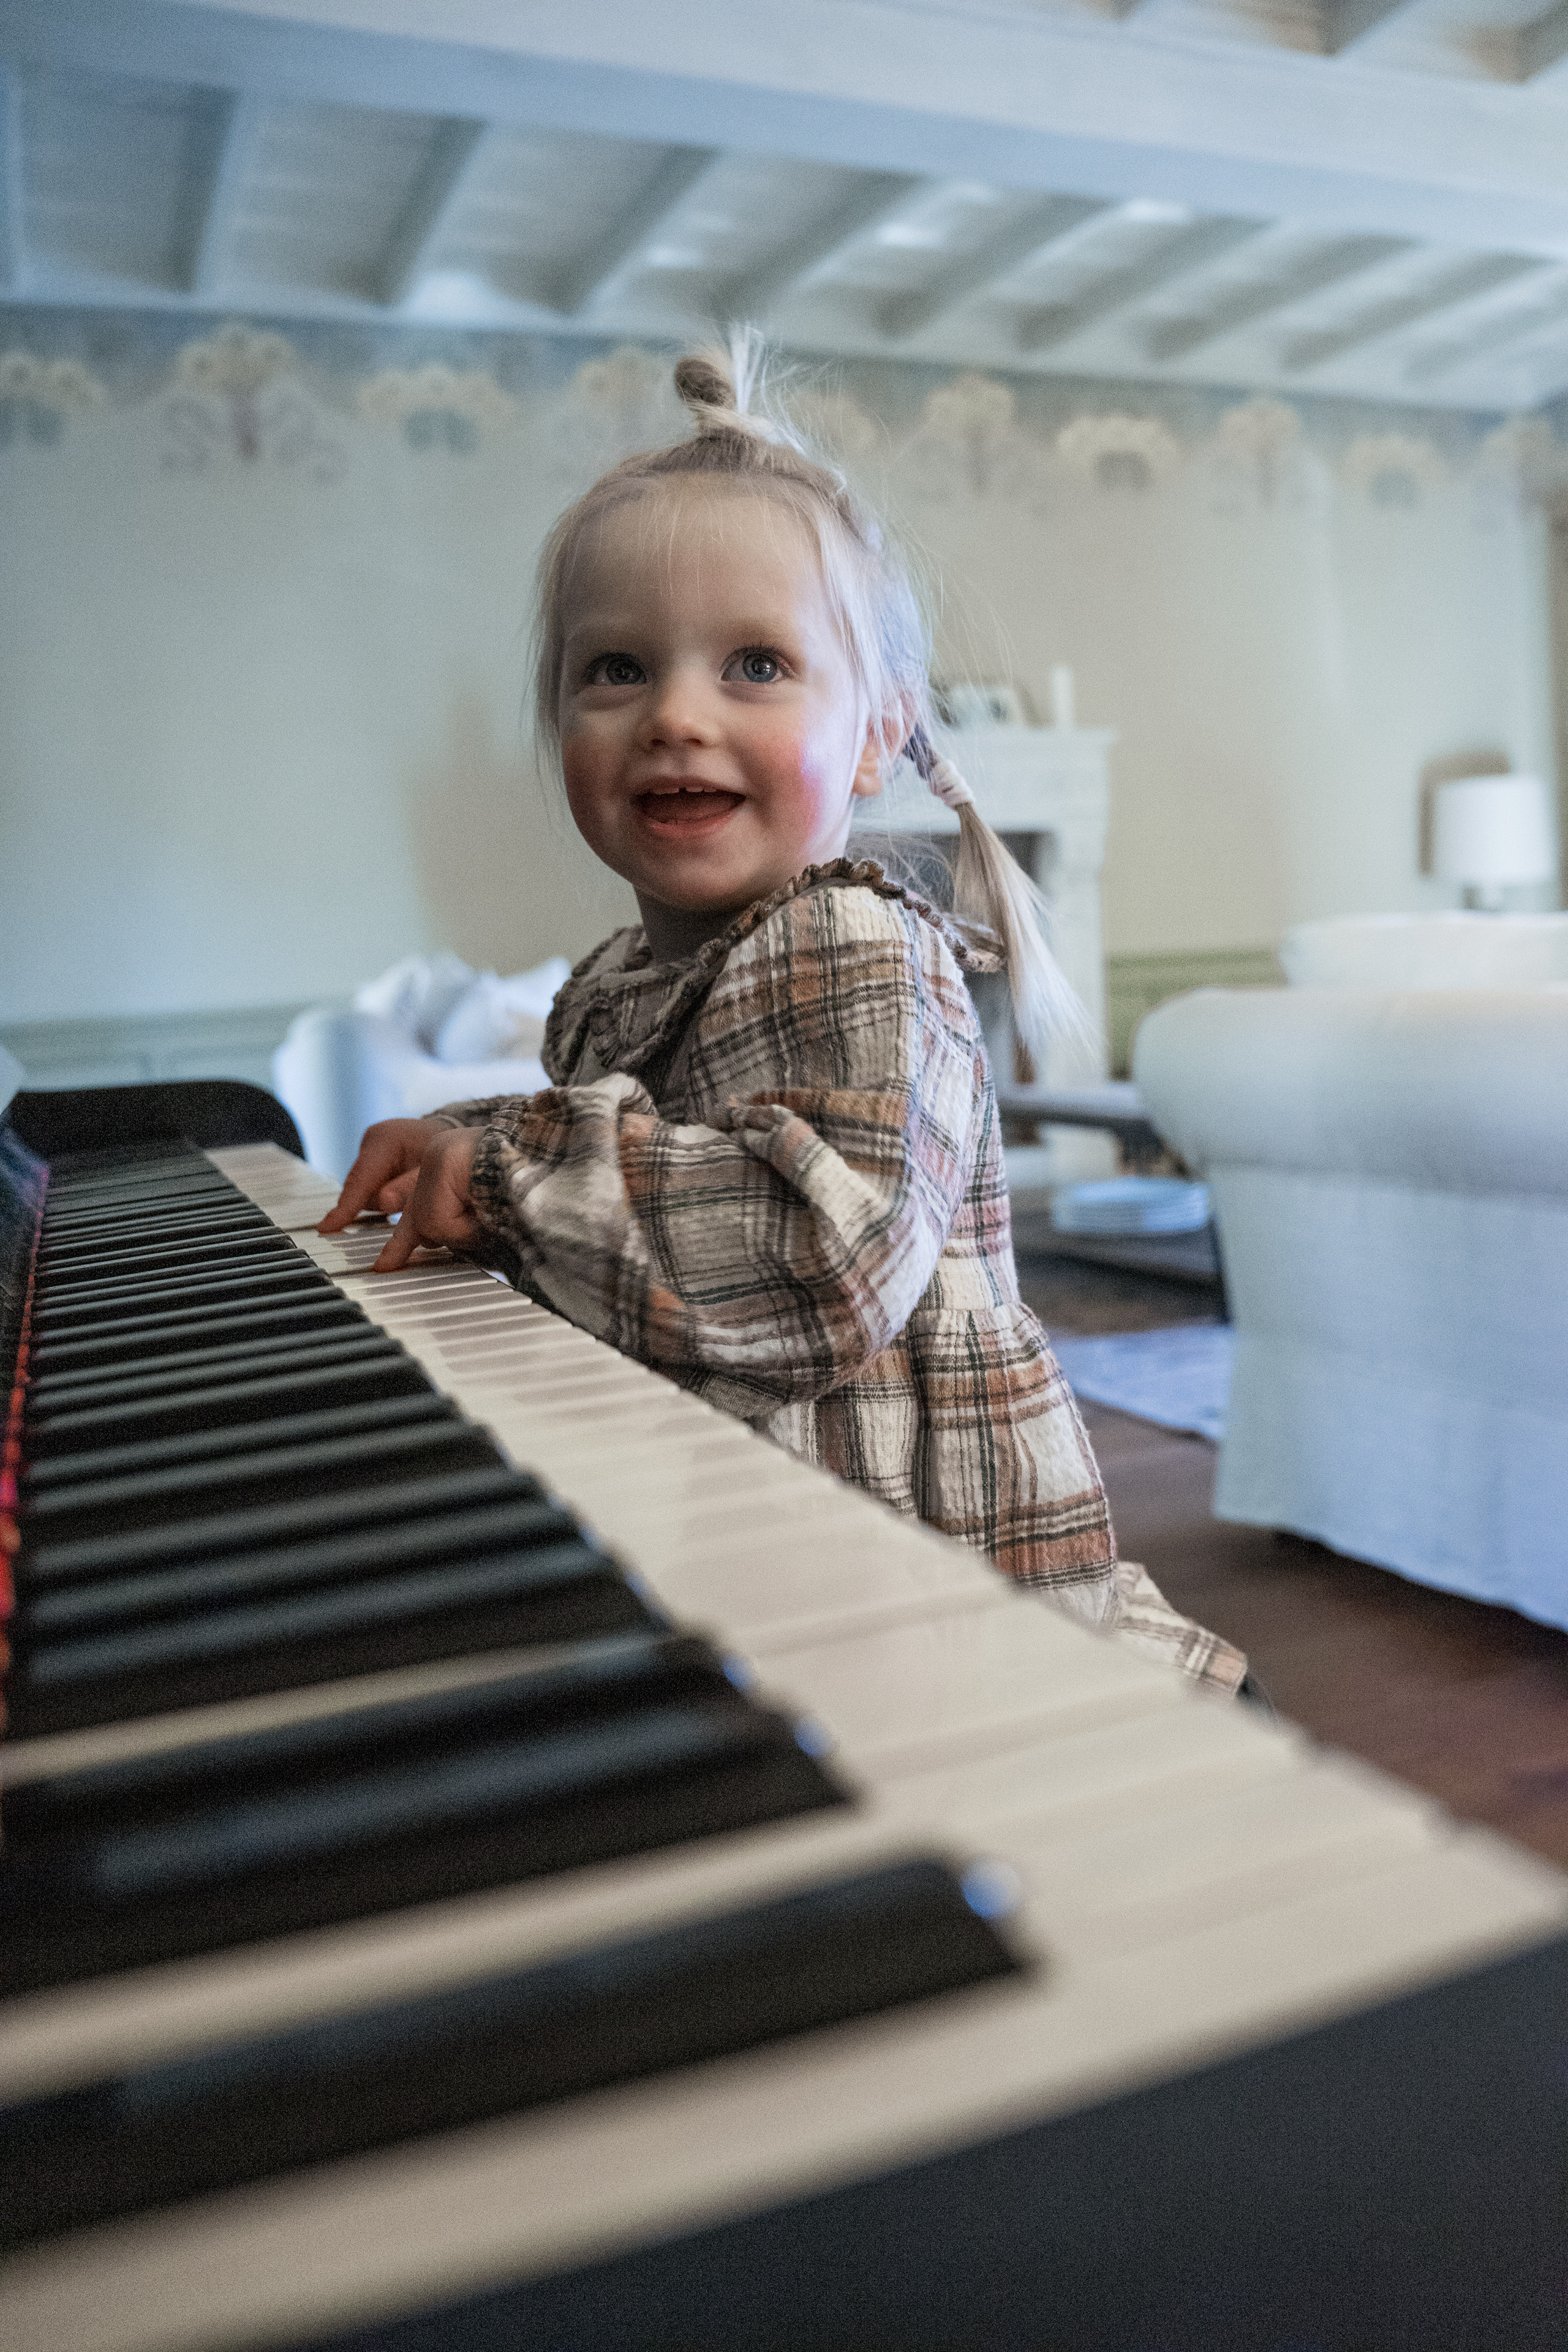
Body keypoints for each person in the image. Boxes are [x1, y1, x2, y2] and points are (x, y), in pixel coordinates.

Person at [322, 340, 1246, 1697]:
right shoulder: (603, 993)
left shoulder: (853, 942)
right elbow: (623, 1213)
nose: (675, 717)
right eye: (615, 670)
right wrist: (466, 1145)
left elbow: (822, 1260)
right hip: (770, 1577)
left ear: (875, 735)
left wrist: (509, 1177)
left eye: (754, 665)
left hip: (955, 1625)